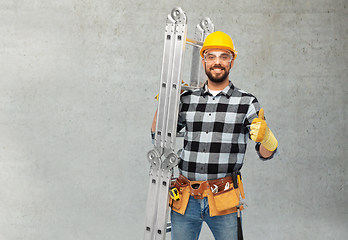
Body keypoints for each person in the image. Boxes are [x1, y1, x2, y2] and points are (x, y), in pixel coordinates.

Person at [151, 31, 278, 240]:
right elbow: (158, 135)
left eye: (223, 56)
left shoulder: (246, 102)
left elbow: (266, 154)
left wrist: (267, 139)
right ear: (204, 61)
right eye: (211, 56)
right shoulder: (187, 99)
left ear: (232, 61)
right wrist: (164, 103)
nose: (217, 62)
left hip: (224, 199)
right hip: (184, 199)